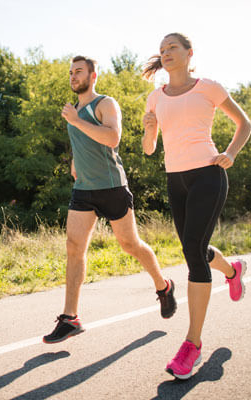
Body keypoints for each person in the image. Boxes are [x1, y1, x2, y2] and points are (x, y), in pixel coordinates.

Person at [43, 55, 177, 344]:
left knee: (130, 245)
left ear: (93, 75)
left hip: (112, 186)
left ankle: (163, 287)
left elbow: (113, 138)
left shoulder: (105, 103)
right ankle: (70, 318)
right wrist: (75, 164)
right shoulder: (74, 110)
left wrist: (77, 121)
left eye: (78, 71)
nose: (73, 76)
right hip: (84, 188)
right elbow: (81, 142)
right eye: (70, 72)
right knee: (74, 246)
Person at [142, 33, 251, 379]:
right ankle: (232, 272)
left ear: (190, 53)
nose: (166, 53)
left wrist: (230, 153)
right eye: (162, 50)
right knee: (195, 248)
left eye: (172, 47)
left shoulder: (209, 87)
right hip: (176, 180)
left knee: (192, 249)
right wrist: (148, 129)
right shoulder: (155, 97)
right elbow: (148, 150)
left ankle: (193, 344)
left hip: (208, 174)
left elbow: (244, 123)